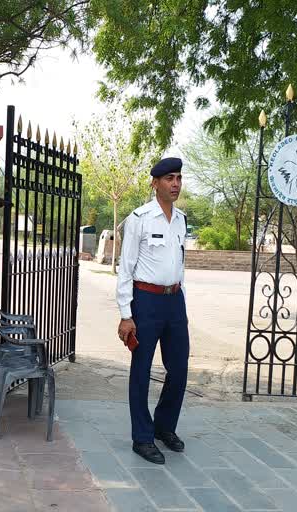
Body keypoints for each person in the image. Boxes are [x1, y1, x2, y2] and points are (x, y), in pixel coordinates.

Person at [115, 157, 189, 465]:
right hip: (145, 302)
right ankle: (142, 438)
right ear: (155, 183)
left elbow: (179, 263)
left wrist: (181, 297)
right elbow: (125, 267)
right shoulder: (139, 218)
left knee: (180, 368)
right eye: (169, 178)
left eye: (179, 178)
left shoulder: (182, 219)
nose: (175, 184)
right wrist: (125, 313)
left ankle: (164, 427)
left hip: (174, 301)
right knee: (142, 371)